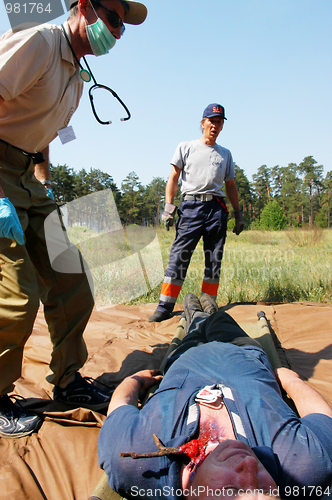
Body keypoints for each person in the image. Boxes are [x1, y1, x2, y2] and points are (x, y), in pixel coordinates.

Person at [0, 0, 147, 438]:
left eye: (124, 26)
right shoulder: (39, 42)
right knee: (17, 292)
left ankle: (66, 380)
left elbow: (43, 137)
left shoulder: (76, 76)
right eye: (116, 18)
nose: (119, 32)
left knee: (72, 278)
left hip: (27, 178)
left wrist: (41, 186)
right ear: (84, 6)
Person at [98, 293, 332, 499]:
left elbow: (120, 406)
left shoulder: (134, 463)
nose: (250, 465)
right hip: (242, 350)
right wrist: (291, 381)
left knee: (196, 326)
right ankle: (209, 309)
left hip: (184, 356)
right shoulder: (304, 463)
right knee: (220, 319)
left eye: (231, 489)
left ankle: (196, 312)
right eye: (265, 489)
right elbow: (321, 415)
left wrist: (133, 381)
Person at [149, 104, 245, 322]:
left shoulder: (225, 154)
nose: (215, 125)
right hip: (191, 208)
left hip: (216, 209)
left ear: (222, 126)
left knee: (214, 259)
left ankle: (209, 304)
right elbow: (173, 177)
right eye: (211, 121)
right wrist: (169, 207)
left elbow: (230, 186)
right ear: (203, 123)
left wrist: (238, 214)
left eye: (219, 122)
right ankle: (165, 306)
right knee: (179, 256)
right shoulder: (186, 147)